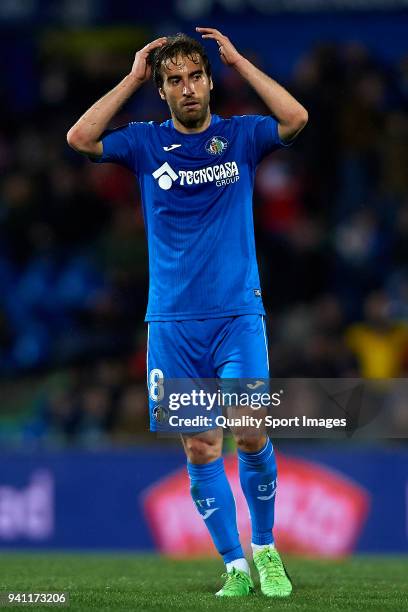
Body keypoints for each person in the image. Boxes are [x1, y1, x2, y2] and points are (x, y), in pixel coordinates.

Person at [67, 27, 307, 598]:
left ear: (209, 80)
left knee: (249, 430)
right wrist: (131, 76)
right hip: (172, 324)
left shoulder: (243, 136)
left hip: (236, 317)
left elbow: (295, 118)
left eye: (196, 76)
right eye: (173, 80)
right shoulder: (145, 143)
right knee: (201, 447)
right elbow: (80, 137)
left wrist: (240, 61)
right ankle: (235, 567)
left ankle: (267, 549)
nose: (188, 88)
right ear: (163, 91)